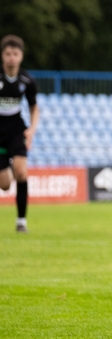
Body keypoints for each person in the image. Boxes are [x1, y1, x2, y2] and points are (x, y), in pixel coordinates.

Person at [0, 35, 39, 233]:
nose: (11, 58)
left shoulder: (27, 80)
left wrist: (31, 129)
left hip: (16, 129)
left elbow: (34, 108)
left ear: (21, 56)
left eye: (15, 54)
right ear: (2, 55)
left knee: (22, 173)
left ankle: (21, 221)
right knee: (5, 185)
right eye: (8, 54)